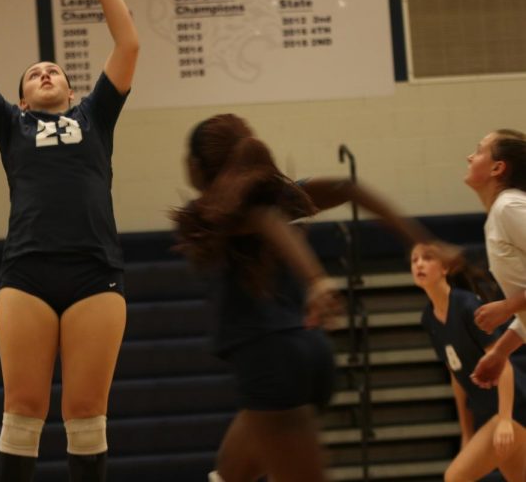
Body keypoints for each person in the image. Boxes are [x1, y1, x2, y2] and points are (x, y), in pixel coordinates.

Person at [0, 0, 139, 482]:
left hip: (94, 272)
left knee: (85, 413)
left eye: (54, 69)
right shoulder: (13, 125)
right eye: (35, 73)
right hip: (27, 273)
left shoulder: (96, 116)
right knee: (23, 410)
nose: (46, 72)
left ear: (73, 91)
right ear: (25, 101)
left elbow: (128, 43)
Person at [171, 114, 443, 482]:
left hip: (269, 360)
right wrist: (421, 239)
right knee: (227, 475)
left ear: (194, 167)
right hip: (306, 354)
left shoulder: (214, 213)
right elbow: (349, 188)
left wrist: (316, 280)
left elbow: (268, 223)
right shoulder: (286, 196)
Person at [411, 242, 526, 480]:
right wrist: (466, 433)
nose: (419, 264)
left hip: (512, 407)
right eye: (414, 260)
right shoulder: (428, 319)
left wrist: (505, 419)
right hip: (486, 411)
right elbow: (456, 376)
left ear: (444, 269)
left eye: (427, 258)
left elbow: (501, 359)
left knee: (455, 477)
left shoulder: (466, 305)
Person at [465, 130, 526, 389]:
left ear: (497, 168)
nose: (470, 157)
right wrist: (501, 351)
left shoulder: (509, 208)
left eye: (479, 151)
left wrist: (506, 307)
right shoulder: (502, 211)